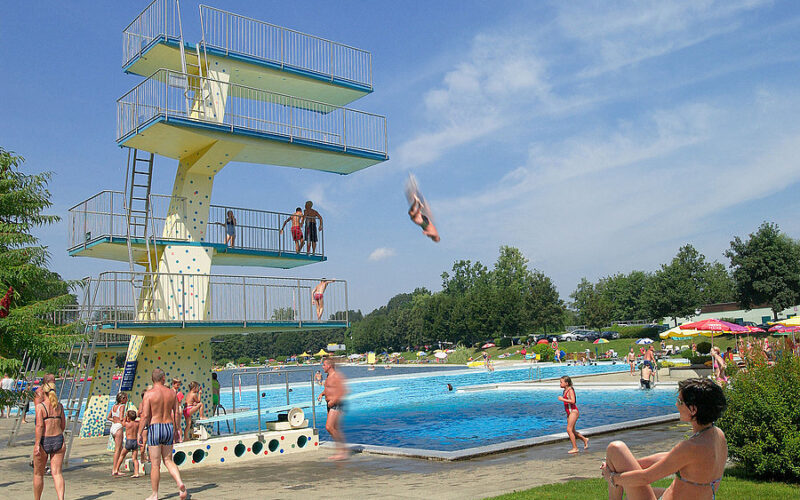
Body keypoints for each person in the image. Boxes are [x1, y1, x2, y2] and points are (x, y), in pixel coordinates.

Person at [601, 378, 727, 500]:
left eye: (680, 401)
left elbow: (645, 478)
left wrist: (612, 477)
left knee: (615, 448)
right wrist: (629, 465)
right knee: (629, 497)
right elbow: (669, 457)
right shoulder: (717, 435)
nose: (676, 405)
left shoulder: (690, 447)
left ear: (693, 409)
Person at [138, 368, 188, 500]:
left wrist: (139, 433)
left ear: (152, 379)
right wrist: (176, 429)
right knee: (168, 460)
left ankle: (154, 494)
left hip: (155, 427)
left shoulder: (149, 394)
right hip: (168, 426)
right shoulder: (171, 393)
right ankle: (179, 482)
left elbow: (145, 415)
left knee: (155, 464)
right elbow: (176, 413)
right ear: (163, 378)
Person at [33, 381, 65, 500]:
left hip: (44, 440)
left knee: (38, 474)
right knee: (57, 473)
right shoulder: (59, 406)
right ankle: (61, 498)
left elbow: (39, 426)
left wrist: (37, 444)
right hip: (58, 439)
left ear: (44, 393)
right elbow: (63, 425)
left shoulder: (40, 407)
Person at [317, 358, 348, 460]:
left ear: (329, 366)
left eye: (324, 365)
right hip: (329, 404)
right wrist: (322, 394)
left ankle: (342, 451)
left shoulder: (336, 376)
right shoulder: (328, 376)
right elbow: (329, 388)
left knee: (329, 427)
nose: (322, 367)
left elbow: (342, 391)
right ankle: (341, 451)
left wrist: (333, 401)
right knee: (334, 428)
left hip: (335, 404)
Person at [558, 376, 589, 454]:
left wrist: (562, 399)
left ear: (566, 383)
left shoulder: (570, 390)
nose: (560, 384)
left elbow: (573, 401)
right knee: (572, 430)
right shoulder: (565, 390)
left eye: (561, 382)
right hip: (569, 413)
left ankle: (575, 448)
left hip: (573, 412)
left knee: (569, 429)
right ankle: (584, 439)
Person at [114, 410, 141, 478]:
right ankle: (136, 473)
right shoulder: (137, 424)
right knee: (135, 459)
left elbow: (122, 423)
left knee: (122, 455)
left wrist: (126, 417)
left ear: (128, 417)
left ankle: (116, 469)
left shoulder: (127, 424)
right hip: (135, 441)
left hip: (129, 441)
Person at [108, 392, 128, 476]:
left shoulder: (114, 406)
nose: (127, 399)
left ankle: (116, 468)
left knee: (119, 449)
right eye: (126, 398)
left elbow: (108, 417)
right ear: (122, 399)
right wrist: (127, 419)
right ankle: (115, 469)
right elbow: (121, 418)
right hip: (118, 427)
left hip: (113, 427)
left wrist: (114, 420)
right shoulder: (122, 406)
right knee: (118, 450)